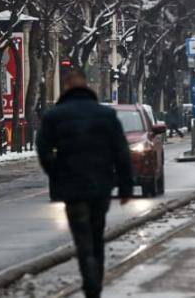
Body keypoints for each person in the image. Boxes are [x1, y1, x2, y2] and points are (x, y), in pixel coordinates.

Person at [36, 70, 133, 298]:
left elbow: (43, 150)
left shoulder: (54, 117)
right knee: (97, 234)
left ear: (67, 88)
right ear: (88, 87)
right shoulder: (106, 115)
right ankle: (95, 284)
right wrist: (126, 186)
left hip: (72, 188)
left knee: (82, 237)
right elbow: (121, 152)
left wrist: (56, 173)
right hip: (101, 186)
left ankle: (90, 280)